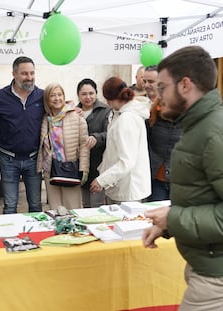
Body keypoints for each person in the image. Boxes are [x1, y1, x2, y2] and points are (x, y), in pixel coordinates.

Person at [142, 46, 223, 310]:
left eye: (162, 87)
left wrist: (173, 219)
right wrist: (168, 225)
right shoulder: (199, 126)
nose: (157, 95)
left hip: (215, 279)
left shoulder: (214, 132)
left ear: (185, 85)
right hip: (205, 267)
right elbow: (204, 196)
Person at [0, 56, 44, 214]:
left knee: (35, 206)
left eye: (32, 73)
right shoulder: (0, 96)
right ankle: (11, 238)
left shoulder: (42, 96)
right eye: (24, 74)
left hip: (34, 160)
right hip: (8, 160)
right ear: (14, 74)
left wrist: (73, 110)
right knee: (10, 206)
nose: (29, 78)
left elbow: (57, 112)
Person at [89, 77, 151, 204]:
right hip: (121, 185)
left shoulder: (127, 119)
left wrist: (102, 180)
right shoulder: (121, 114)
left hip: (128, 190)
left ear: (109, 99)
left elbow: (126, 161)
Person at [37, 83, 89, 210]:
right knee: (56, 210)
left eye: (60, 95)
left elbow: (84, 144)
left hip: (69, 168)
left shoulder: (76, 116)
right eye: (52, 95)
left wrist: (84, 168)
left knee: (73, 209)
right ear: (47, 100)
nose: (57, 98)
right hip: (51, 170)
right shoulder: (45, 118)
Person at [144, 66, 181, 201]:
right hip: (155, 178)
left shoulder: (188, 118)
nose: (147, 85)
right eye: (144, 81)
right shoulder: (148, 115)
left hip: (179, 180)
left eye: (151, 81)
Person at [76, 78, 111, 208]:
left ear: (96, 93)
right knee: (84, 205)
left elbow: (110, 134)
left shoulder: (106, 111)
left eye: (91, 93)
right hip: (82, 165)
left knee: (97, 205)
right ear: (78, 95)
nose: (88, 97)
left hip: (99, 164)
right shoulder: (73, 112)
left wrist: (96, 138)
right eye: (84, 94)